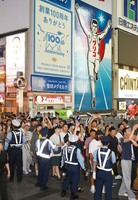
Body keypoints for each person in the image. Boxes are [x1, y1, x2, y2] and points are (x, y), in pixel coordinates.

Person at [75, 3, 111, 108]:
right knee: (91, 78)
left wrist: (108, 26)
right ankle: (94, 97)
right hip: (90, 56)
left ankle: (96, 72)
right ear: (91, 27)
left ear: (97, 27)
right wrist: (78, 11)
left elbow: (104, 32)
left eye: (95, 26)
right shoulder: (89, 35)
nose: (94, 28)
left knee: (96, 68)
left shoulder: (99, 36)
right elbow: (81, 23)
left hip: (96, 57)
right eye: (93, 26)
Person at [61, 134, 85, 200]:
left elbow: (63, 158)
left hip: (67, 166)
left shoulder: (65, 148)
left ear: (69, 141)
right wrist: (83, 168)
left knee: (67, 179)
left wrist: (62, 165)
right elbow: (81, 160)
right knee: (75, 181)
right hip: (75, 167)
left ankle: (63, 191)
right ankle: (73, 195)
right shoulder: (77, 150)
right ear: (76, 141)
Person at [93, 136, 116, 200]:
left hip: (99, 172)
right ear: (108, 143)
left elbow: (94, 162)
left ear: (101, 142)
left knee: (98, 189)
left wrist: (94, 172)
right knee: (108, 190)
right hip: (108, 173)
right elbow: (113, 162)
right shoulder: (112, 153)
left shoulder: (96, 151)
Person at [118, 125, 138, 200]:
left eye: (130, 131)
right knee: (127, 178)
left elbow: (136, 144)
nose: (130, 132)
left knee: (126, 178)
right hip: (125, 160)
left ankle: (121, 191)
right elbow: (129, 139)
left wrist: (134, 132)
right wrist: (133, 129)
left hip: (129, 160)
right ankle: (131, 195)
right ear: (124, 133)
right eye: (128, 131)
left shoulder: (129, 140)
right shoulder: (122, 139)